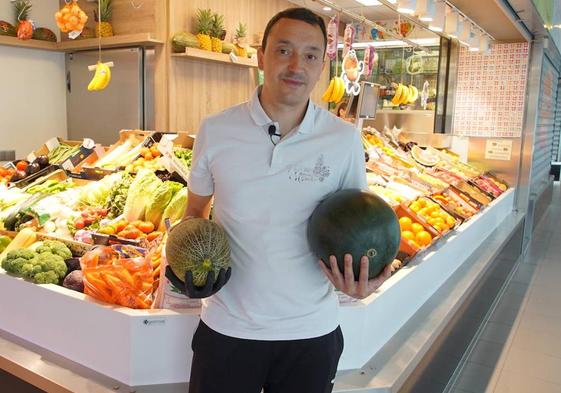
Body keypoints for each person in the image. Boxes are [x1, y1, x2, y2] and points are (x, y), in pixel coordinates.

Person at [166, 7, 394, 393]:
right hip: (227, 330)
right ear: (262, 56)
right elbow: (194, 213)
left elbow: (358, 227)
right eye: (283, 50)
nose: (295, 65)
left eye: (309, 55)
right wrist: (183, 270)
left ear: (322, 65)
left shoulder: (343, 139)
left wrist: (363, 280)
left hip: (311, 333)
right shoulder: (216, 130)